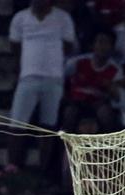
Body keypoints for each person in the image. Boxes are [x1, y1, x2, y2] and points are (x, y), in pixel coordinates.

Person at [7, 0, 76, 169]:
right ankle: (12, 167)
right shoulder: (20, 18)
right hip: (28, 77)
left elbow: (68, 46)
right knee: (17, 123)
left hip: (54, 79)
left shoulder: (63, 18)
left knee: (48, 126)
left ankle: (44, 170)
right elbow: (15, 46)